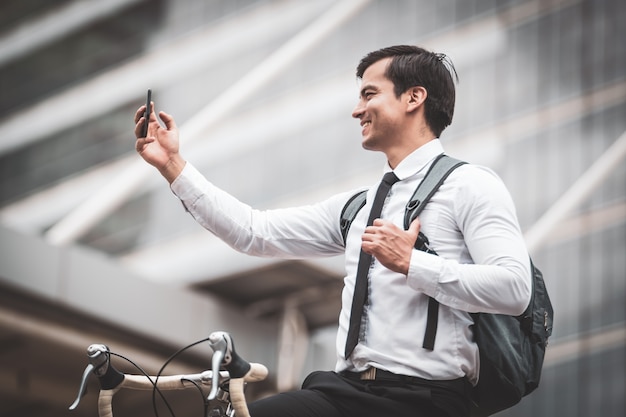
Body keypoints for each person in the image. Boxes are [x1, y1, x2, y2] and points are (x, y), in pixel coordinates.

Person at [134, 45, 532, 417]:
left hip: (428, 400)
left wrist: (413, 263)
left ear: (414, 98)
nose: (357, 111)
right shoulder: (356, 207)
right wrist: (172, 164)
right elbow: (253, 232)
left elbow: (515, 289)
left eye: (369, 94)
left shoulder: (471, 184)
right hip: (343, 393)